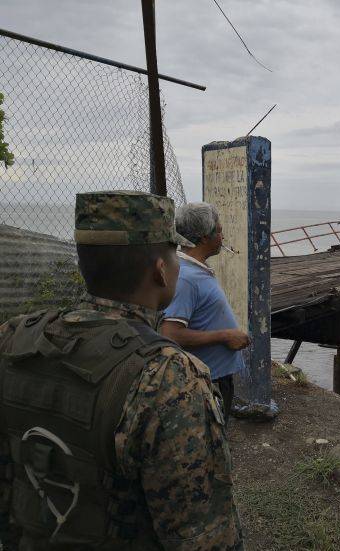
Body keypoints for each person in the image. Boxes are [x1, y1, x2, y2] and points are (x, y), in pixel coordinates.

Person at [0, 191, 244, 549]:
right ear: (161, 271)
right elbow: (204, 537)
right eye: (173, 256)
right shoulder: (168, 378)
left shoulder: (14, 340)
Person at [160, 203, 250, 424]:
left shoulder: (194, 270)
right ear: (203, 237)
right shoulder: (186, 279)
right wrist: (225, 336)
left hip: (215, 378)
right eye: (218, 231)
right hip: (205, 382)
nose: (222, 235)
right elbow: (171, 335)